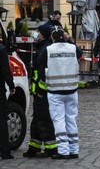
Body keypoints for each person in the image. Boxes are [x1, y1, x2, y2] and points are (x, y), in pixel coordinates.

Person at [38, 26, 82, 159]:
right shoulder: (73, 48)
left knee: (59, 120)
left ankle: (63, 151)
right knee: (71, 119)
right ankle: (74, 150)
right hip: (71, 90)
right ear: (64, 35)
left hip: (55, 91)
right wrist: (70, 40)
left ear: (52, 37)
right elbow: (80, 54)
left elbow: (39, 62)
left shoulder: (48, 49)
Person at [23, 23, 57, 158]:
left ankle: (51, 148)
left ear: (42, 35)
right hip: (38, 91)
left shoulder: (45, 49)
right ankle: (34, 146)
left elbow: (43, 73)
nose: (35, 35)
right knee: (37, 119)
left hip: (43, 92)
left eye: (38, 32)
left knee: (44, 120)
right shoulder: (42, 47)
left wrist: (41, 91)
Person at [0, 41, 15, 159]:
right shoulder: (1, 49)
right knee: (1, 119)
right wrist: (11, 85)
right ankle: (5, 151)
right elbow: (5, 70)